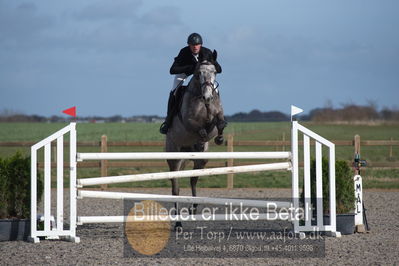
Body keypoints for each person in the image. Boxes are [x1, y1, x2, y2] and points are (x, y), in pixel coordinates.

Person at [159, 33, 222, 134]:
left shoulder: (207, 52)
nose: (195, 47)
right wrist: (191, 68)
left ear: (200, 45)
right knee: (174, 91)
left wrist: (210, 66)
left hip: (203, 75)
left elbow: (219, 69)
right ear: (189, 45)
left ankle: (219, 114)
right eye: (192, 45)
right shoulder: (184, 52)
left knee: (215, 89)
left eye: (197, 45)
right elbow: (172, 70)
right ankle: (168, 120)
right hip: (185, 73)